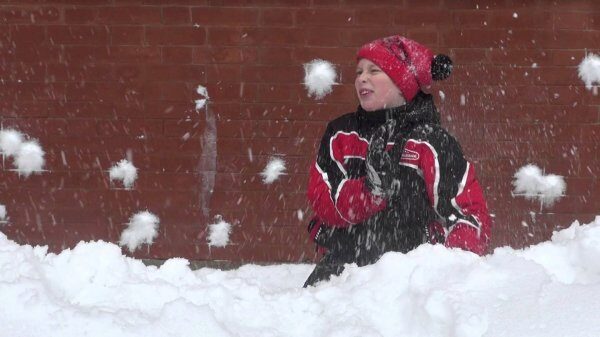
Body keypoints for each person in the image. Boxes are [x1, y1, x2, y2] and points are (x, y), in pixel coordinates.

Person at [303, 35, 492, 287]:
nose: (362, 77)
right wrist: (370, 192)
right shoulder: (341, 133)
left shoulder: (430, 141)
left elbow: (468, 215)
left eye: (374, 70)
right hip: (345, 267)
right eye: (359, 71)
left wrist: (447, 274)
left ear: (402, 82)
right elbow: (323, 198)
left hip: (410, 275)